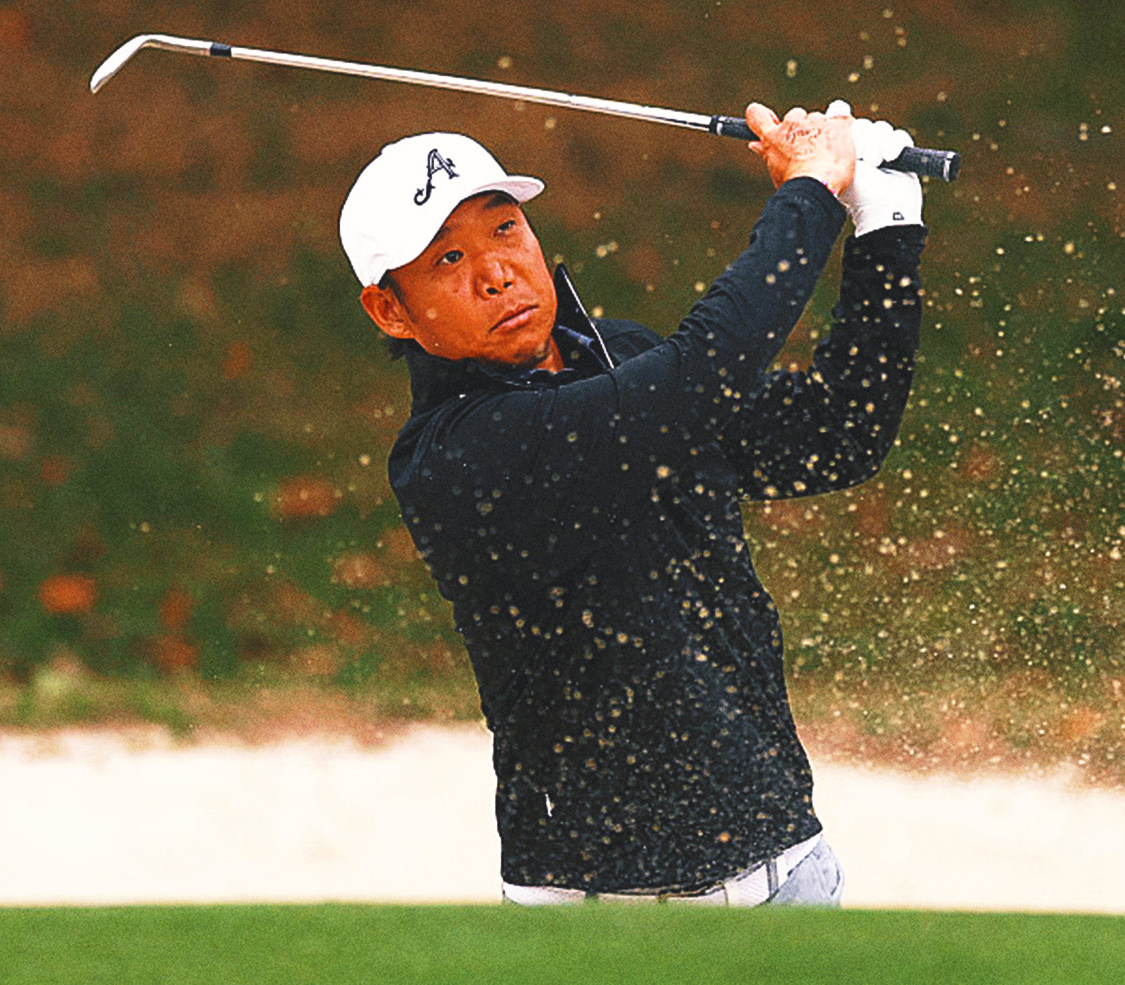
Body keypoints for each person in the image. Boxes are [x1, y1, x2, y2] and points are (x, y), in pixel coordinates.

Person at [337, 101, 926, 906]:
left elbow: (839, 433)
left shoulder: (627, 359)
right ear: (390, 310)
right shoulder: (454, 455)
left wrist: (885, 225)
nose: (496, 273)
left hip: (786, 869)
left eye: (505, 229)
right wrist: (810, 194)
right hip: (595, 914)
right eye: (447, 258)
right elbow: (696, 380)